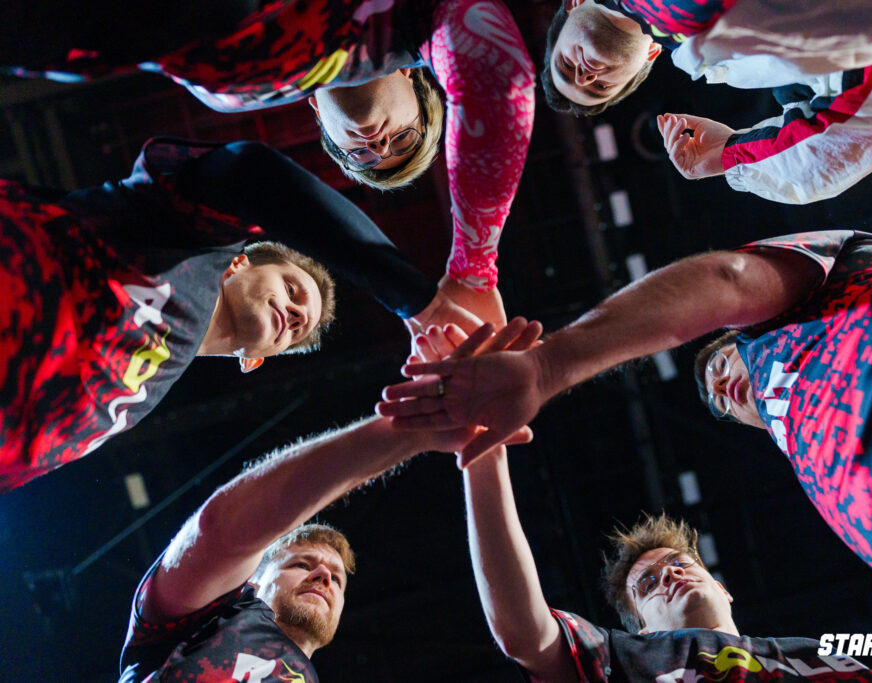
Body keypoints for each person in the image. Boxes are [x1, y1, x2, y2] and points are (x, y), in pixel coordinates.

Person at [378, 229, 872, 651]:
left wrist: (550, 366)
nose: (721, 388)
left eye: (721, 368)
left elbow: (730, 282)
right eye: (718, 399)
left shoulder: (801, 314)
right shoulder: (819, 469)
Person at [0, 136, 483, 490]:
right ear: (239, 262)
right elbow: (250, 171)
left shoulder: (149, 391)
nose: (294, 314)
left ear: (253, 360)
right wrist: (420, 302)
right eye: (293, 290)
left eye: (299, 328)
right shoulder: (190, 240)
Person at [4, 0, 535, 323]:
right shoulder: (417, 22)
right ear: (416, 83)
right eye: (403, 139)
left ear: (319, 120)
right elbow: (499, 79)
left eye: (363, 156)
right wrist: (472, 270)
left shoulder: (231, 97)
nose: (377, 145)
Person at [117, 319, 540, 681]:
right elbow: (223, 530)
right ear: (249, 581)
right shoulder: (202, 620)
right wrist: (414, 430)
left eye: (337, 579)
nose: (325, 577)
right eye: (302, 563)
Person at [463, 447, 872, 680]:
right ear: (642, 628)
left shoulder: (814, 656)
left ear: (722, 588)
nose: (669, 574)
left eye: (680, 563)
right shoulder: (625, 661)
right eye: (647, 585)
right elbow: (523, 634)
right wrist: (485, 455)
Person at [542, 0, 872, 204]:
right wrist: (731, 154)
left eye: (565, 65)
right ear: (646, 61)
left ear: (575, 2)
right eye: (598, 88)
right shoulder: (735, 50)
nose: (584, 75)